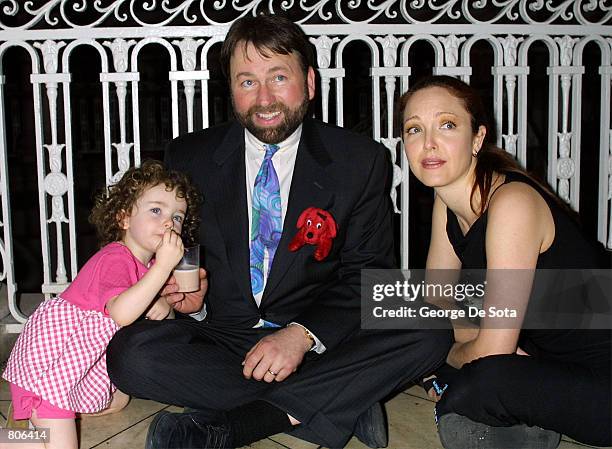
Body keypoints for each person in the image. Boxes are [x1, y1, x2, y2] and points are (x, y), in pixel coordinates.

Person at [105, 13, 452, 449]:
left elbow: (368, 276)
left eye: (278, 77)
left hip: (316, 335)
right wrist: (185, 304)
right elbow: (172, 250)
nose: (264, 98)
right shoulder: (189, 156)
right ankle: (337, 399)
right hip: (223, 334)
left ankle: (241, 425)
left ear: (308, 83)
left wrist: (300, 335)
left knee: (427, 328)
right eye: (247, 81)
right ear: (231, 91)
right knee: (129, 356)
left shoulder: (358, 160)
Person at [399, 75, 611, 448]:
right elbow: (438, 302)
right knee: (392, 316)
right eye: (414, 130)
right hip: (548, 363)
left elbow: (493, 349)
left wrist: (444, 353)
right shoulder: (446, 200)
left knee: (479, 380)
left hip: (603, 380)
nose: (428, 143)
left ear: (478, 138)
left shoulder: (512, 203)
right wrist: (458, 346)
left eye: (447, 125)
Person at [1, 160, 201, 449]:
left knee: (117, 400)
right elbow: (121, 312)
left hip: (80, 362)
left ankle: (49, 421)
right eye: (156, 210)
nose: (169, 222)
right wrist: (164, 269)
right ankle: (13, 439)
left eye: (178, 216)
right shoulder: (115, 258)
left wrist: (165, 306)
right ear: (124, 219)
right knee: (57, 445)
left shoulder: (154, 266)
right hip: (51, 362)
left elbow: (154, 322)